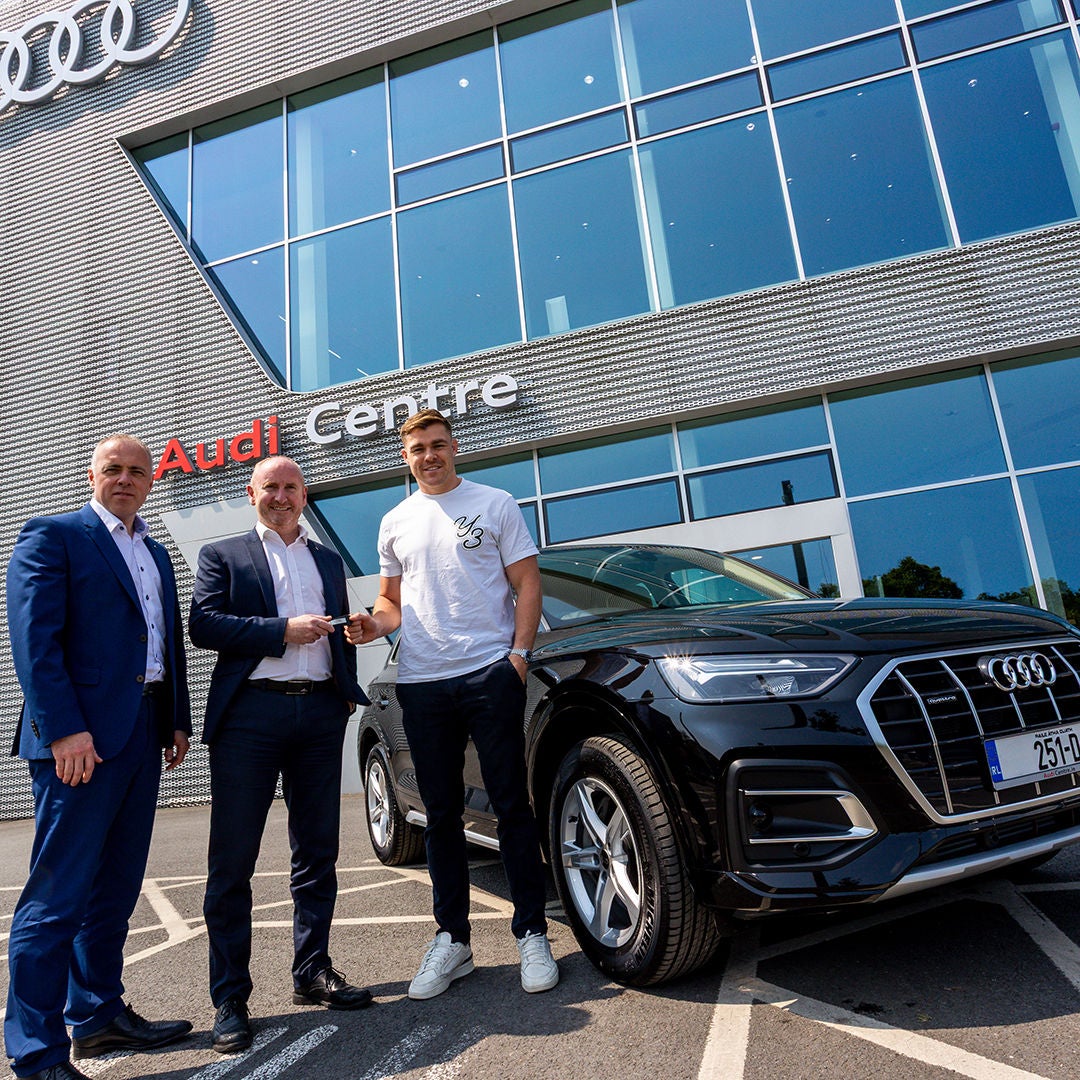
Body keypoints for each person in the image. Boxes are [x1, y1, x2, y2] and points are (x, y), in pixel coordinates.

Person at [346, 408, 559, 1000]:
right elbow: (391, 603)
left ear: (453, 447)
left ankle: (531, 933)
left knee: (511, 805)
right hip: (421, 682)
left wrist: (517, 656)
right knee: (438, 816)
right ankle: (453, 940)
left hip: (489, 672)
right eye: (417, 449)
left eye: (438, 445)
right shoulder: (395, 521)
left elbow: (528, 583)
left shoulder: (495, 503)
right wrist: (372, 624)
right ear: (405, 457)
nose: (429, 456)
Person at [5, 434, 193, 1080]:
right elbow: (35, 642)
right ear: (91, 474)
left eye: (138, 471)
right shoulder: (53, 535)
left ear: (151, 482)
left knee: (115, 890)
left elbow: (163, 643)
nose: (126, 478)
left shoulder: (155, 553)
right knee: (56, 898)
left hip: (141, 734)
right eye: (113, 468)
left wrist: (175, 722)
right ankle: (35, 1053)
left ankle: (99, 1017)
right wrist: (63, 731)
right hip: (78, 740)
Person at [189, 455, 372, 1055]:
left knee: (317, 850)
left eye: (291, 487)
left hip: (318, 713)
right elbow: (204, 625)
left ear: (303, 492)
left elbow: (335, 624)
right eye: (271, 486)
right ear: (252, 492)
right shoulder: (225, 554)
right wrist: (281, 630)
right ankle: (230, 998)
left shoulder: (325, 558)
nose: (282, 496)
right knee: (232, 860)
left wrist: (348, 656)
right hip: (251, 717)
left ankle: (312, 970)